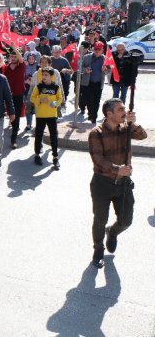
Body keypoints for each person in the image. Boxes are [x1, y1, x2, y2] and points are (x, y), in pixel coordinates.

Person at [87, 98, 147, 269]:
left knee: (126, 220)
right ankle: (98, 250)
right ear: (109, 113)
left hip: (124, 184)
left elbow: (143, 136)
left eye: (125, 109)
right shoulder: (96, 133)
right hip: (102, 184)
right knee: (100, 219)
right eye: (120, 109)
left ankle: (112, 233)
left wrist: (133, 123)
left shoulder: (126, 129)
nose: (125, 112)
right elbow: (97, 159)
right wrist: (116, 169)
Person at [30, 67, 63, 168]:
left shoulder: (56, 87)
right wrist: (39, 100)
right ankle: (37, 155)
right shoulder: (39, 87)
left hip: (52, 116)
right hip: (40, 115)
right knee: (39, 135)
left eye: (46, 75)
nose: (44, 77)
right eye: (43, 75)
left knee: (53, 136)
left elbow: (60, 99)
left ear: (51, 77)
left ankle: (55, 157)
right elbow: (32, 98)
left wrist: (55, 103)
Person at [2, 49, 26, 148]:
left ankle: (13, 139)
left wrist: (15, 48)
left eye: (15, 56)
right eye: (12, 56)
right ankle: (14, 129)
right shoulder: (6, 68)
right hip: (9, 95)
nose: (13, 58)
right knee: (11, 115)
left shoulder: (21, 66)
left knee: (17, 116)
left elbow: (21, 59)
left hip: (19, 94)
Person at [80, 42, 107, 124]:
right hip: (88, 83)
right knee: (89, 100)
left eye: (99, 49)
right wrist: (85, 70)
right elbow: (80, 67)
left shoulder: (105, 59)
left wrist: (105, 70)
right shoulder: (87, 57)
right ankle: (91, 114)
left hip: (99, 83)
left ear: (102, 50)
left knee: (96, 101)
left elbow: (110, 70)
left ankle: (94, 117)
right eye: (95, 49)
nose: (97, 51)